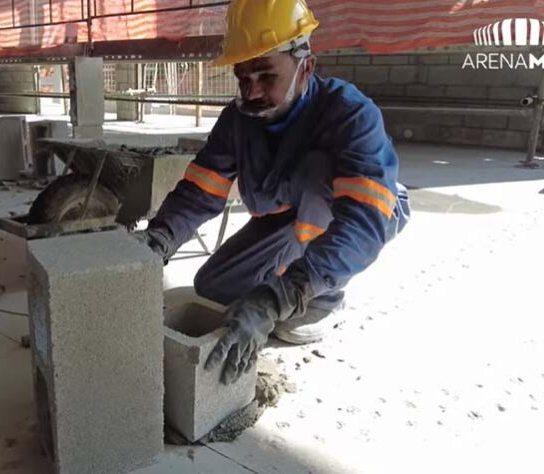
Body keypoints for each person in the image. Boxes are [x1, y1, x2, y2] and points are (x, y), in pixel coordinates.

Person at [139, 0, 411, 385]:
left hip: (362, 213)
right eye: (243, 78)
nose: (252, 92)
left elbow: (363, 222)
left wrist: (275, 300)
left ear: (306, 67)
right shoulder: (239, 119)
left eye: (266, 76)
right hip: (287, 216)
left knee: (317, 173)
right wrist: (160, 237)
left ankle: (322, 297)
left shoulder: (349, 114)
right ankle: (292, 280)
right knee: (213, 288)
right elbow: (202, 188)